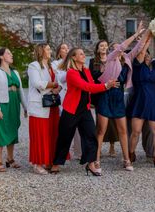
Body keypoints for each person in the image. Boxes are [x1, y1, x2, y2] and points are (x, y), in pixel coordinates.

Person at [51, 48, 119, 176]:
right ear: (74, 57)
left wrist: (107, 81)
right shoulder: (71, 73)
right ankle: (56, 163)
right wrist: (105, 86)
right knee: (65, 137)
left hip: (84, 109)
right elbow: (86, 86)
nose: (83, 55)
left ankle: (91, 164)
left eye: (83, 53)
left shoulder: (86, 70)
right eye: (81, 54)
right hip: (71, 109)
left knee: (91, 136)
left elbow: (92, 85)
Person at [95, 21, 146, 171]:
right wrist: (135, 34)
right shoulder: (110, 58)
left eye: (118, 47)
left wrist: (147, 33)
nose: (118, 48)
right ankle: (96, 160)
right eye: (115, 47)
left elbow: (138, 48)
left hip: (118, 98)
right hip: (106, 96)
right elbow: (124, 46)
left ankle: (126, 159)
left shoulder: (126, 60)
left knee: (123, 130)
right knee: (101, 131)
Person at [127, 30, 155, 169]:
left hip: (154, 102)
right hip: (139, 101)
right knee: (135, 132)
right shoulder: (138, 67)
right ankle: (130, 155)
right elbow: (141, 52)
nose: (146, 56)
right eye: (144, 55)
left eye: (148, 55)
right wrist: (149, 37)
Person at [0, 47, 28, 172]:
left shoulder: (15, 72)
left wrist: (25, 107)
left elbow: (21, 91)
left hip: (14, 103)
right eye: (8, 53)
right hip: (3, 104)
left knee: (12, 129)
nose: (11, 55)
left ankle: (10, 159)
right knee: (1, 131)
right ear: (1, 56)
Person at [27, 44, 61, 174]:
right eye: (47, 49)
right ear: (41, 51)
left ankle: (48, 160)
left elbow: (59, 81)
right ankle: (37, 163)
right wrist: (53, 85)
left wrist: (58, 87)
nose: (50, 51)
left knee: (51, 134)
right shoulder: (33, 65)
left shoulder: (52, 66)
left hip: (52, 104)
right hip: (39, 105)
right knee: (39, 134)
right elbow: (37, 83)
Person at [90, 40, 119, 157]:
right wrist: (104, 74)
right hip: (100, 93)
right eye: (101, 46)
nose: (104, 47)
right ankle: (99, 148)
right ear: (97, 48)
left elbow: (116, 73)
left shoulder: (111, 59)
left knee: (112, 120)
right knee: (100, 122)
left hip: (112, 92)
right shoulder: (93, 61)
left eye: (106, 46)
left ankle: (112, 146)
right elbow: (92, 76)